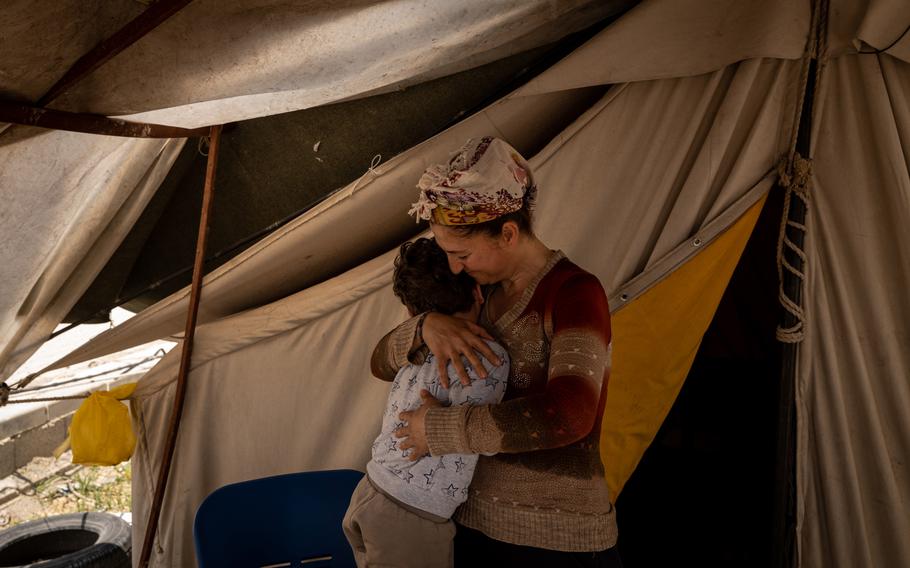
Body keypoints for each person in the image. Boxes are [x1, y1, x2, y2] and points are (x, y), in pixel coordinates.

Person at [371, 137, 623, 567]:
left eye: (461, 253)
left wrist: (439, 430)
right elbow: (380, 363)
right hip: (468, 522)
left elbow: (570, 415)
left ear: (507, 233)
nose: (453, 266)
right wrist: (424, 325)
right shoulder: (474, 295)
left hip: (555, 537)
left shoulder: (575, 293)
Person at [343, 237, 510, 568]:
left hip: (369, 491)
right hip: (412, 513)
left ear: (411, 314)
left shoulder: (415, 346)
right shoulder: (489, 357)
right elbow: (487, 437)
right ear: (478, 292)